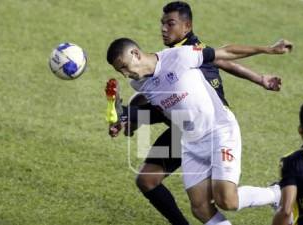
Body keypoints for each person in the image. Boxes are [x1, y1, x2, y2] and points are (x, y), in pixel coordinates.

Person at [108, 2, 292, 224]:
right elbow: (156, 108)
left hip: (218, 129)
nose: (126, 74)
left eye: (126, 67)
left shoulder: (179, 56)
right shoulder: (139, 85)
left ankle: (277, 193)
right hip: (190, 140)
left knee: (227, 200)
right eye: (121, 71)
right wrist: (127, 118)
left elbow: (224, 53)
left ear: (136, 53)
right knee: (201, 208)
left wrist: (268, 50)